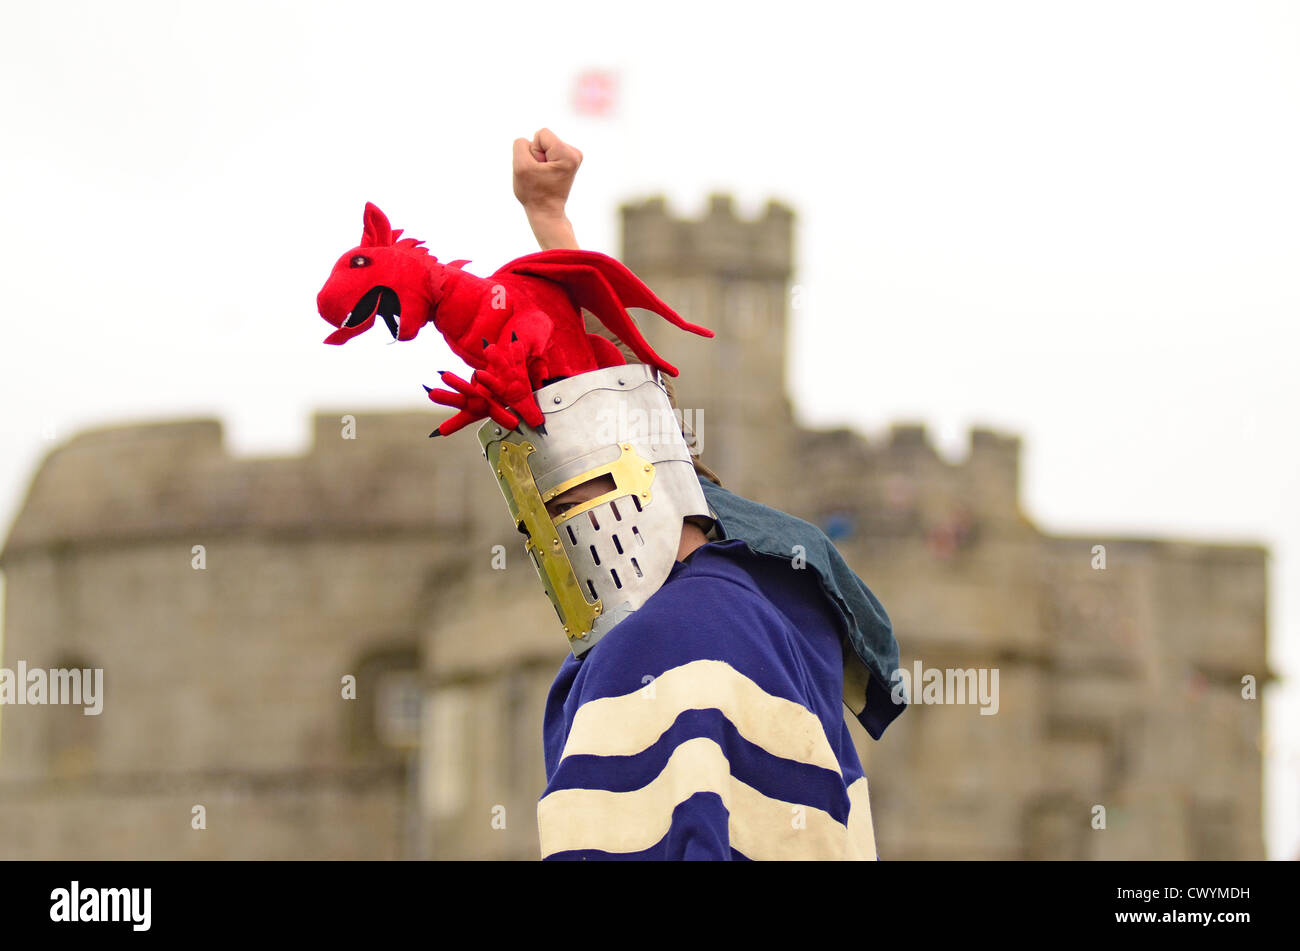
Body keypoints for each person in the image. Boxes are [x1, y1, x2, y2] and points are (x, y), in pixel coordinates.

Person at [480, 129, 907, 860]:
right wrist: (550, 225)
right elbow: (605, 399)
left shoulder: (671, 636)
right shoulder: (780, 612)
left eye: (574, 500)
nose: (560, 538)